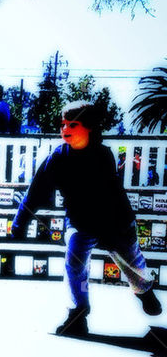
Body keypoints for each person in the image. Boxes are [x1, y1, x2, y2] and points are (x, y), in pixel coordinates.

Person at [11, 100, 161, 336]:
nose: (65, 129)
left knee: (131, 262)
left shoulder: (103, 156)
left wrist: (121, 230)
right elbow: (36, 191)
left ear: (89, 127)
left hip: (115, 221)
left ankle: (144, 289)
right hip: (81, 221)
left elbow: (106, 197)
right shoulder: (57, 157)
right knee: (74, 261)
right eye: (62, 124)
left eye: (72, 124)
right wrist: (20, 221)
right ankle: (78, 314)